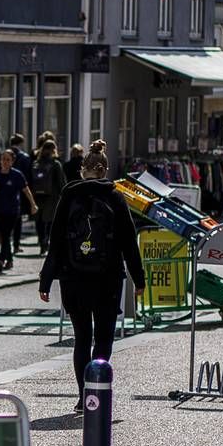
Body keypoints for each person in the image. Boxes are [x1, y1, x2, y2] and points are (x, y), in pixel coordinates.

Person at [38, 141, 145, 412]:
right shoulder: (115, 197)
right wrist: (139, 279)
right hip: (108, 278)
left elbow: (57, 242)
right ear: (105, 169)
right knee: (104, 338)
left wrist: (46, 279)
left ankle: (83, 395)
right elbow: (129, 242)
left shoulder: (68, 197)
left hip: (73, 278)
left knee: (82, 338)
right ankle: (97, 392)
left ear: (83, 170)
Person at [0, 149, 36, 272]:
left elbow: (26, 190)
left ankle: (1, 259)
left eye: (7, 159)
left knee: (5, 235)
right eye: (3, 159)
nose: (4, 162)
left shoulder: (17, 175)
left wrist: (33, 204)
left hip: (12, 210)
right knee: (5, 235)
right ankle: (9, 260)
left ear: (12, 161)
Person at [30, 139, 66, 254]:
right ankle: (46, 242)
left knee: (39, 221)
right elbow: (61, 182)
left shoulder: (36, 163)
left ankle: (42, 242)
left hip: (38, 197)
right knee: (50, 221)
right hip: (52, 198)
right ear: (53, 150)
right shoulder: (56, 164)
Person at [9, 133, 32, 254]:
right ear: (21, 143)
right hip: (19, 192)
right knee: (17, 219)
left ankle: (4, 238)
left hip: (5, 191)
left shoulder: (4, 156)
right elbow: (27, 176)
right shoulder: (24, 157)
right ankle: (16, 245)